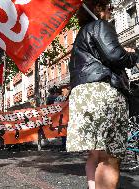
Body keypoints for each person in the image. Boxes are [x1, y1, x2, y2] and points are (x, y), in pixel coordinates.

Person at [66, 1, 139, 189]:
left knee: (96, 153)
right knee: (110, 154)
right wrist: (132, 55)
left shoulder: (82, 35)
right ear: (99, 9)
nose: (111, 10)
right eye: (109, 7)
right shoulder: (100, 25)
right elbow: (114, 55)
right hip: (102, 93)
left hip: (85, 94)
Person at [54, 85, 71, 152]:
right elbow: (55, 106)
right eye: (62, 89)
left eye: (65, 89)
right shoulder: (59, 98)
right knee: (64, 132)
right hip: (63, 118)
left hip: (70, 117)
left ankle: (68, 146)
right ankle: (64, 146)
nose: (63, 90)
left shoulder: (71, 97)